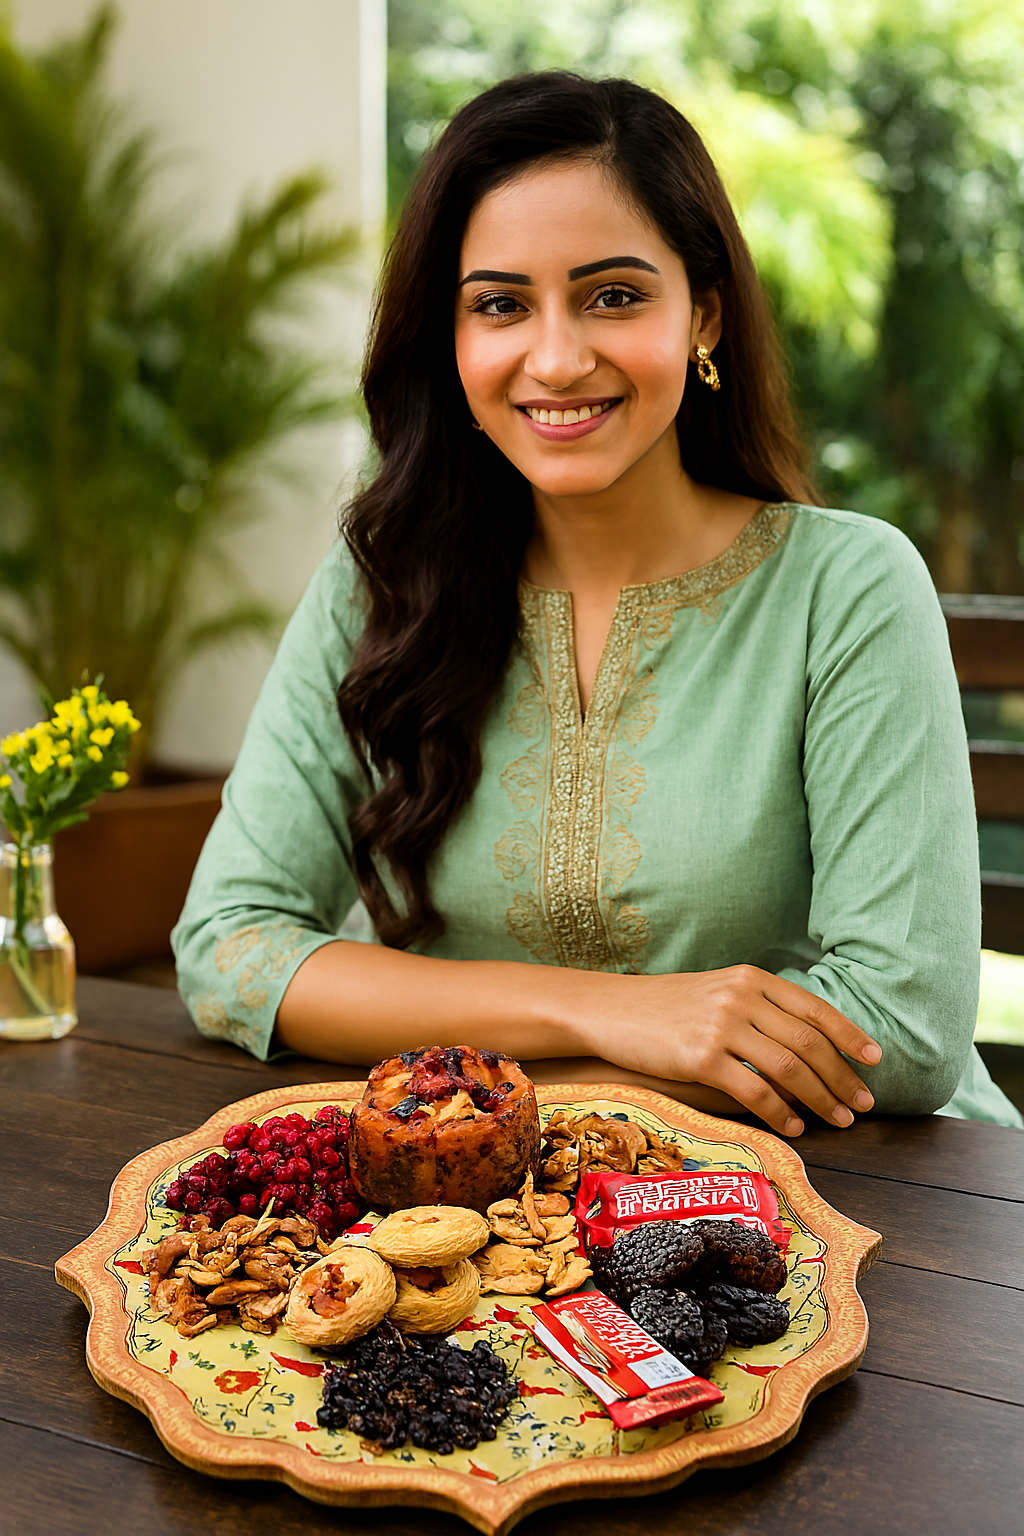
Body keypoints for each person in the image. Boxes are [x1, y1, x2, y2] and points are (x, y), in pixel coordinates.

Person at [173, 73, 1021, 1132]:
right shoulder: (380, 587)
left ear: (702, 313)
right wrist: (614, 1016)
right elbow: (230, 949)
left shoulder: (846, 590)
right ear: (450, 338)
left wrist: (485, 1076)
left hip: (885, 1209)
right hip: (503, 1232)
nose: (558, 357)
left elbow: (900, 1035)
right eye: (499, 304)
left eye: (614, 295)